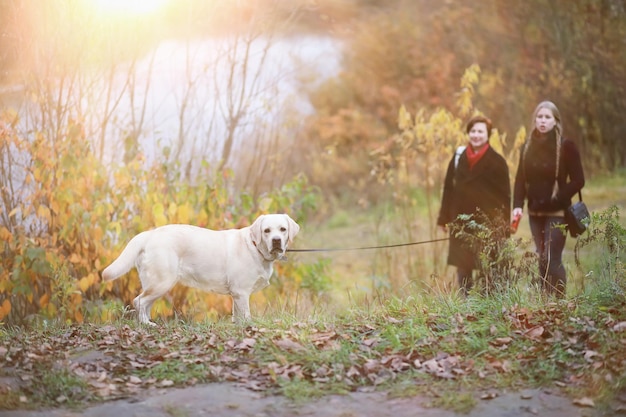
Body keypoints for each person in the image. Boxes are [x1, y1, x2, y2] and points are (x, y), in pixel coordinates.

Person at [512, 101, 585, 297]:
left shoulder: (565, 146)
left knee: (552, 258)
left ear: (555, 121)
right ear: (534, 120)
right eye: (539, 117)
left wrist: (557, 198)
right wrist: (517, 206)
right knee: (542, 259)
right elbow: (520, 179)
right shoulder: (526, 147)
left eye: (547, 117)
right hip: (535, 212)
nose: (542, 121)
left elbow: (579, 180)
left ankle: (559, 302)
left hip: (557, 212)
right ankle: (546, 301)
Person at [437, 115, 511, 295]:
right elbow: (448, 189)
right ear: (468, 133)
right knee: (463, 268)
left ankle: (488, 307)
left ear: (488, 135)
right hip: (460, 221)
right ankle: (465, 307)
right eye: (473, 131)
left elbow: (504, 197)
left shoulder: (497, 161)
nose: (476, 135)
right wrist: (443, 219)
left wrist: (503, 227)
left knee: (487, 267)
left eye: (480, 131)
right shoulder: (458, 157)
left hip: (487, 224)